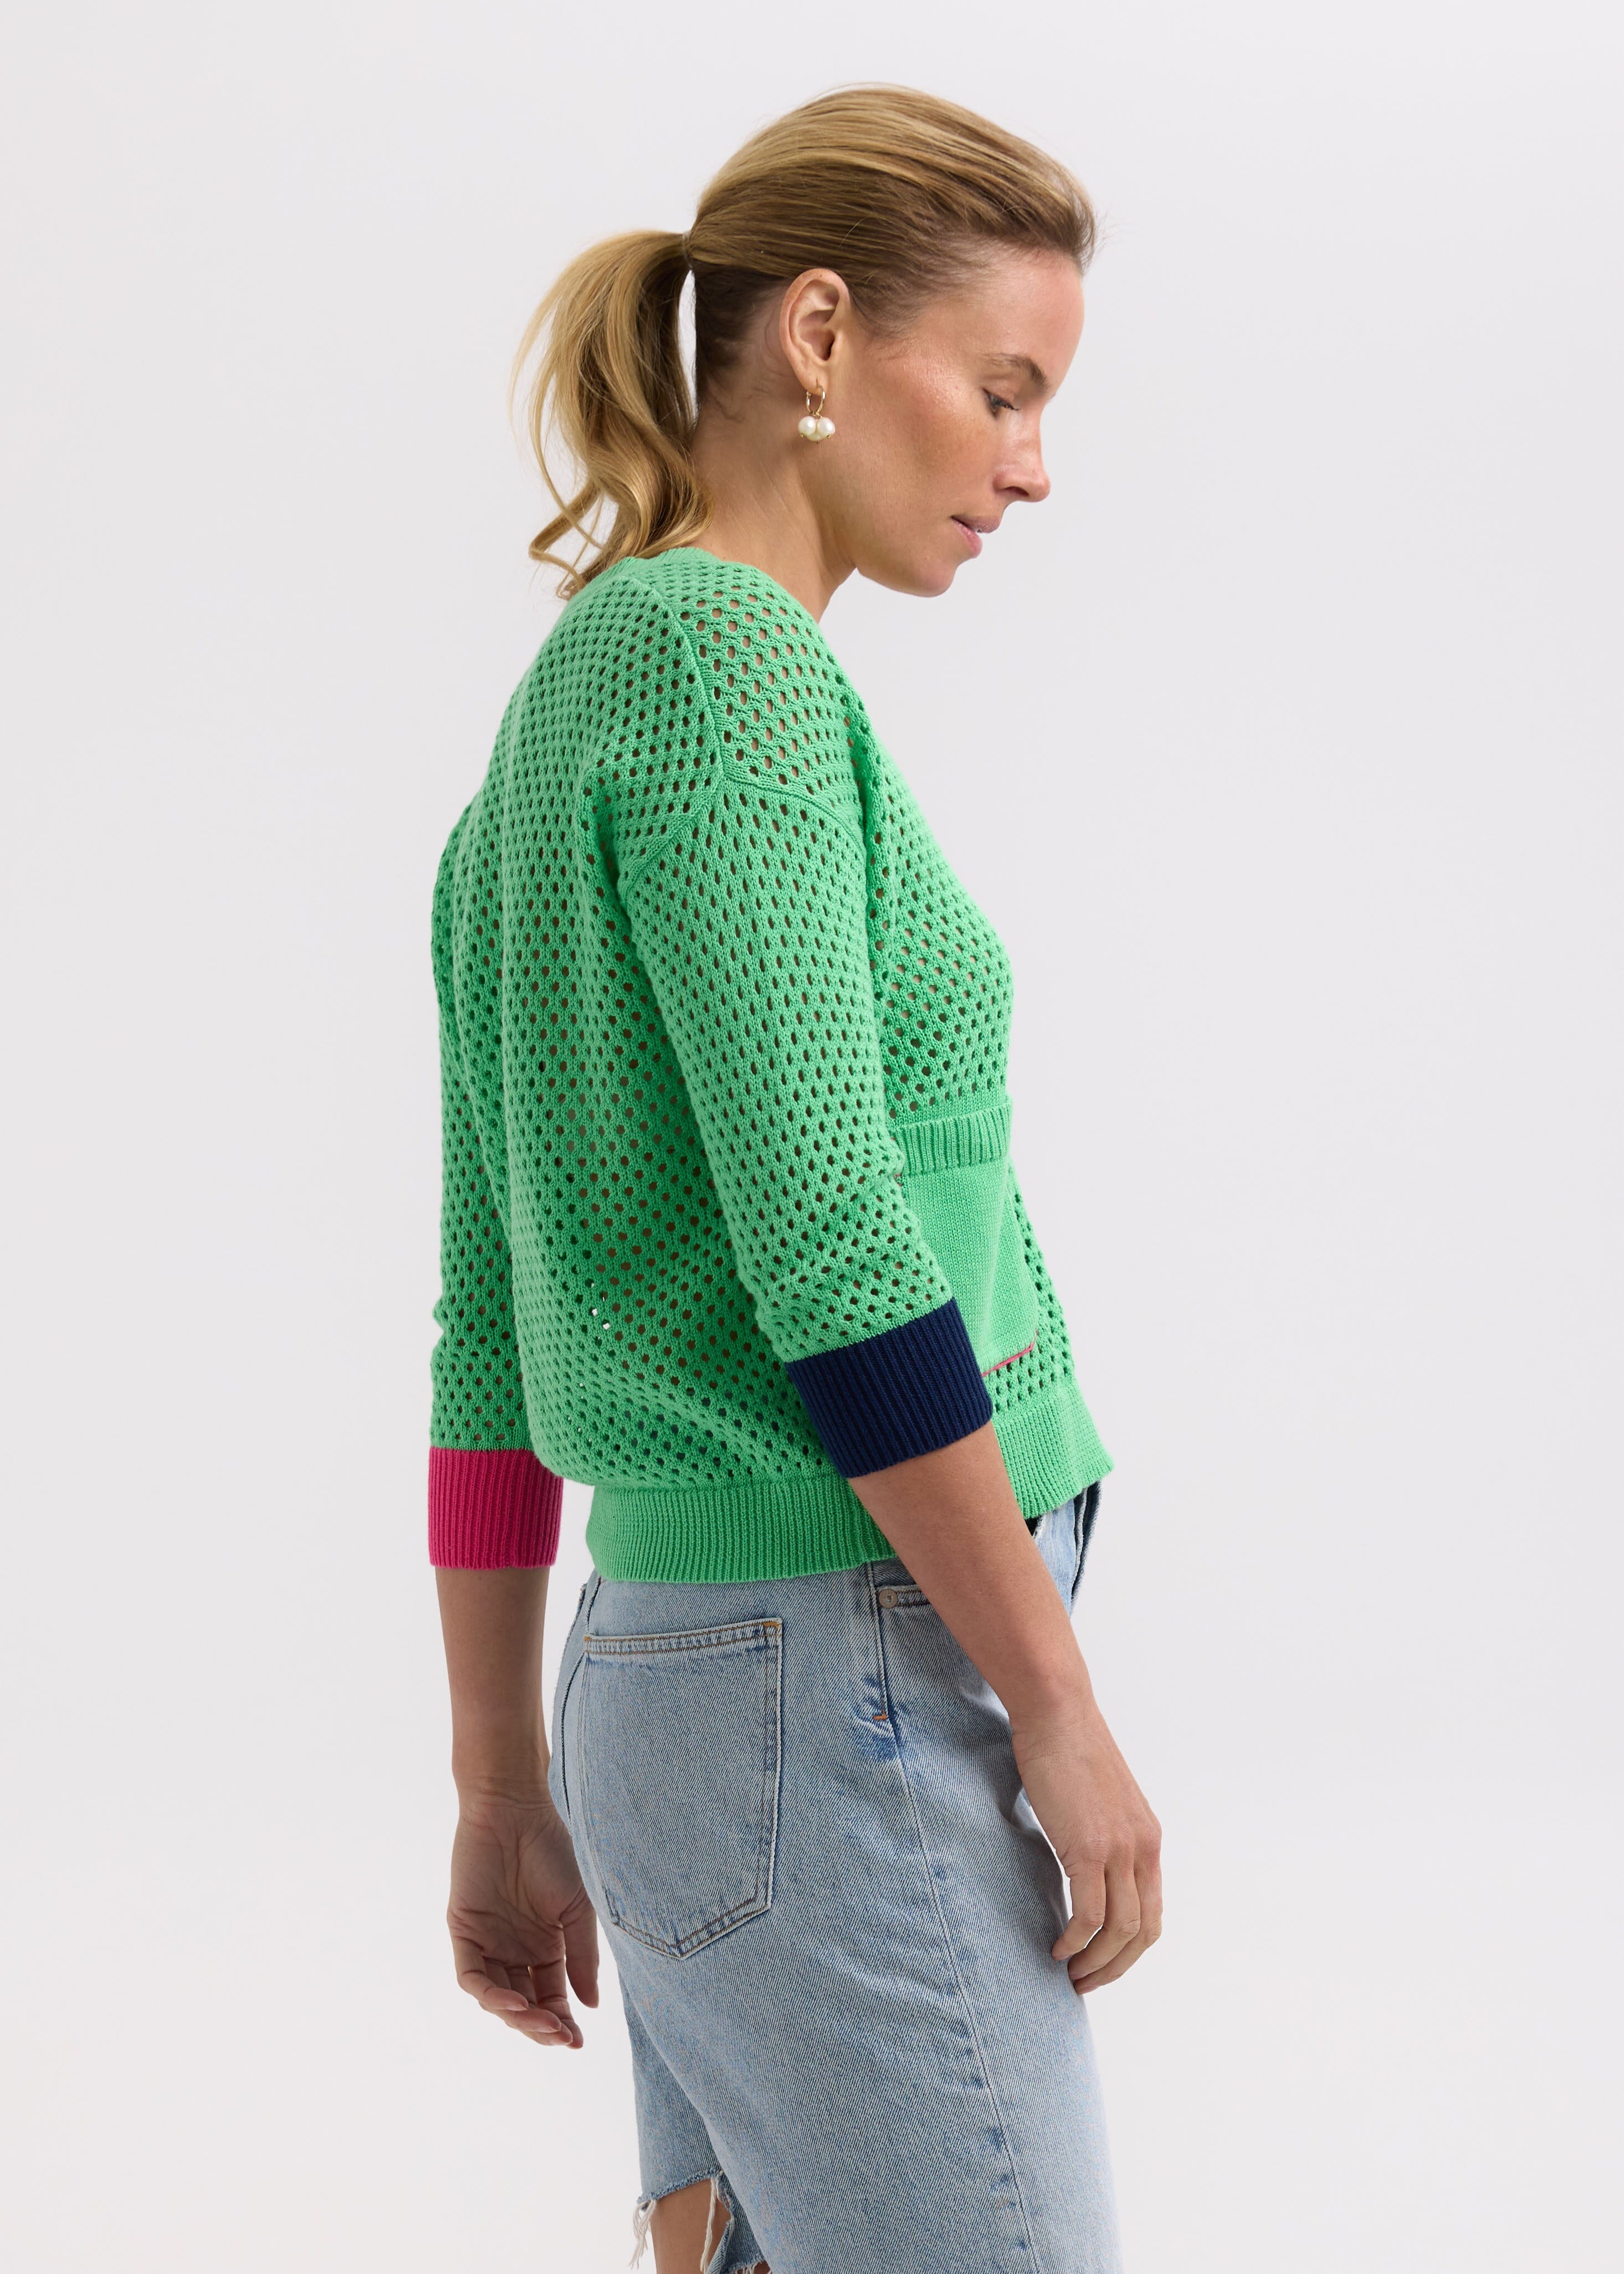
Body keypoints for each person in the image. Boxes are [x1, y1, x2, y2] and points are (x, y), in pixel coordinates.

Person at [427, 84, 1162, 2274]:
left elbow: (487, 1331)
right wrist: (1056, 1711)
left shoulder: (554, 725)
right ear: (822, 336)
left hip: (686, 1686)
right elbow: (836, 1260)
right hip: (834, 1678)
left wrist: (500, 1780)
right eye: (1002, 390)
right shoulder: (720, 669)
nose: (1031, 463)